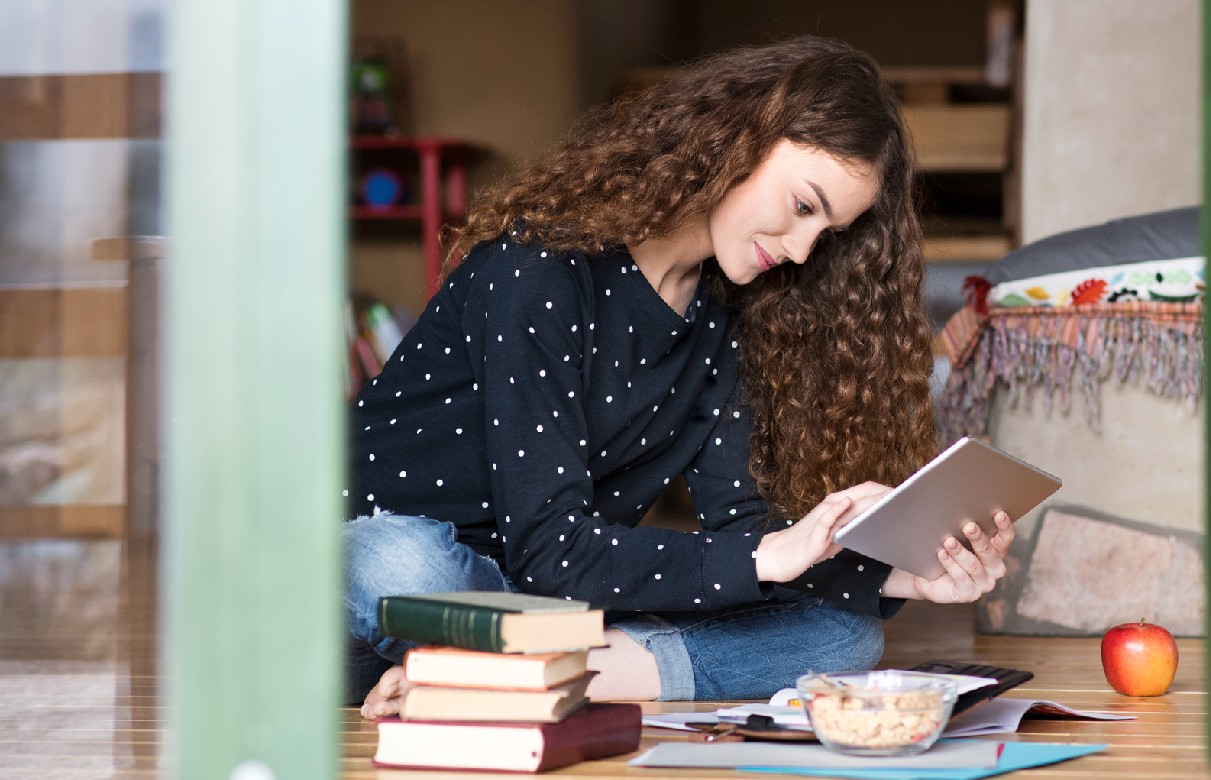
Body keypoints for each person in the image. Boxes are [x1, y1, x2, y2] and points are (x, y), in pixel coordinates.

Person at [344, 36, 1016, 715]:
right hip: (380, 595)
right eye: (805, 206)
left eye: (829, 232)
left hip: (549, 607)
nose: (805, 247)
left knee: (843, 635)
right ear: (737, 140)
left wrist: (905, 576)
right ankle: (523, 669)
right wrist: (764, 557)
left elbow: (743, 529)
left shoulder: (724, 317)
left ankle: (486, 678)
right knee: (396, 559)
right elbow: (551, 548)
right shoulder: (540, 269)